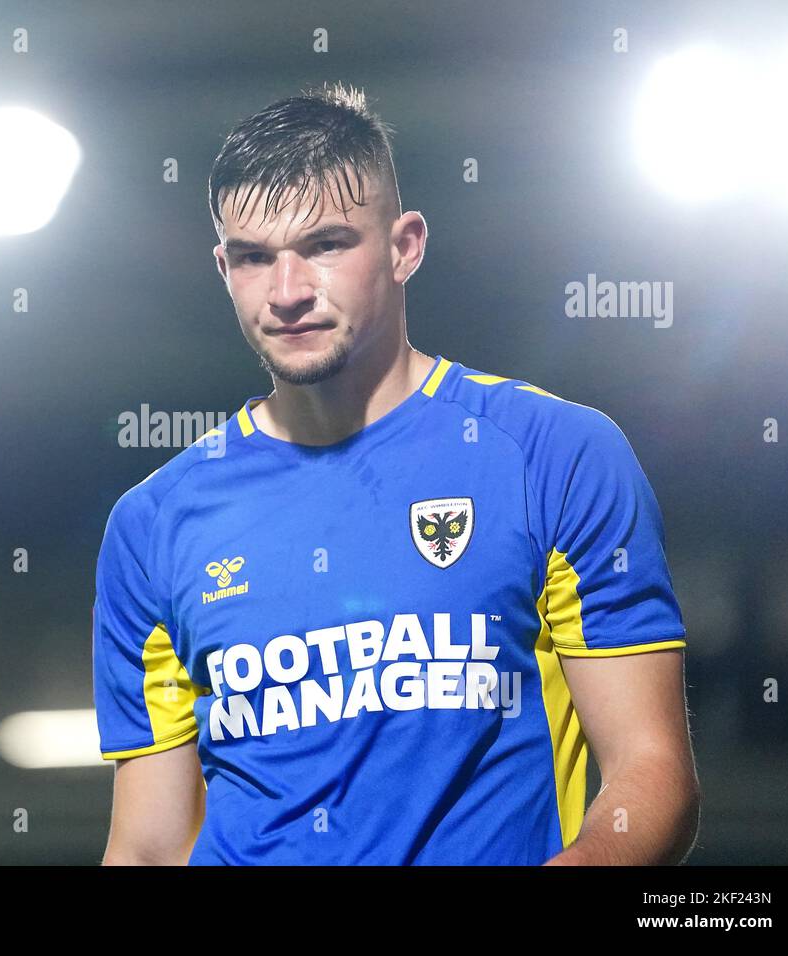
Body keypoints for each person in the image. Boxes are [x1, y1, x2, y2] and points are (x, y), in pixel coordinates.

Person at [91, 82, 700, 865]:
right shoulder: (152, 524)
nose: (287, 292)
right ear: (223, 267)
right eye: (253, 258)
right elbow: (145, 848)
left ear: (405, 246)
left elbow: (652, 775)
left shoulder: (554, 454)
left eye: (326, 245)